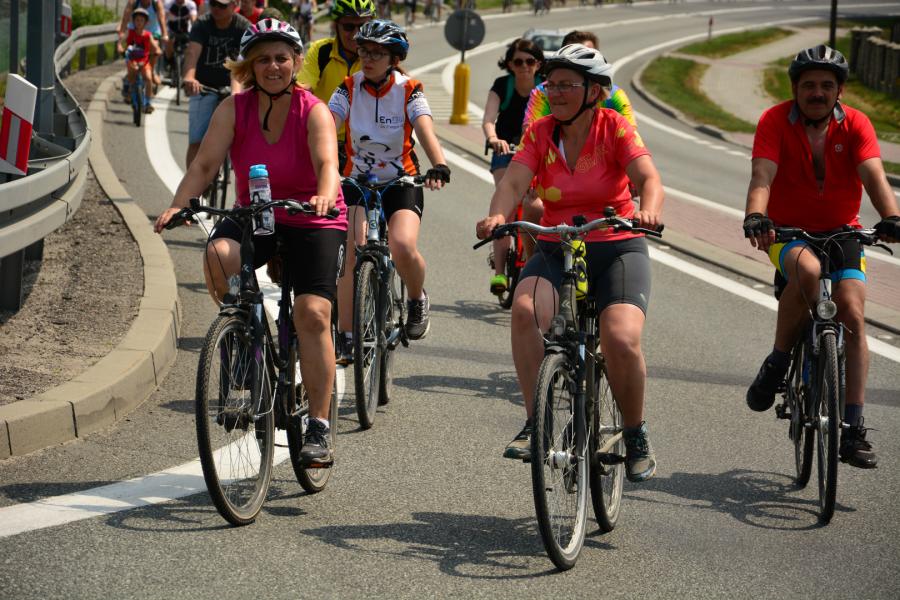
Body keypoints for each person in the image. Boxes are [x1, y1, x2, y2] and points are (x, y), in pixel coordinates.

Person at [154, 19, 347, 465]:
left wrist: (323, 194)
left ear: (296, 62)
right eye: (263, 60)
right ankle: (245, 337)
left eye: (281, 58)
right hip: (257, 215)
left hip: (313, 217)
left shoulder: (313, 110)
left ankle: (318, 427)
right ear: (249, 67)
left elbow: (327, 163)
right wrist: (179, 205)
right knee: (218, 255)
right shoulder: (233, 109)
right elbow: (205, 166)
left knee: (312, 313)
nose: (273, 66)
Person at [475, 44, 664, 482]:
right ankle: (534, 422)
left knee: (620, 339)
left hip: (616, 246)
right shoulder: (540, 133)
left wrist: (649, 209)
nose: (555, 93)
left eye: (566, 85)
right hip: (558, 245)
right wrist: (498, 215)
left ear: (594, 91)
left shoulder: (614, 127)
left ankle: (635, 432)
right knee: (524, 310)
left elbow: (648, 178)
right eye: (551, 85)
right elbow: (514, 182)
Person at [742, 44, 900, 469]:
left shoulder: (857, 124)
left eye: (826, 85)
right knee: (807, 271)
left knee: (852, 313)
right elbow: (762, 174)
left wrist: (892, 216)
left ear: (839, 91)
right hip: (787, 232)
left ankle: (853, 428)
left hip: (843, 231)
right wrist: (756, 215)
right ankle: (778, 363)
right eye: (808, 85)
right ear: (795, 89)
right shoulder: (774, 120)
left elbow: (873, 175)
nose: (817, 92)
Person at [328, 20, 450, 362]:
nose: (367, 59)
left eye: (377, 53)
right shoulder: (347, 88)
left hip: (401, 182)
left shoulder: (409, 89)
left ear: (394, 59)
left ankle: (416, 299)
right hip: (357, 181)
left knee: (402, 244)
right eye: (364, 51)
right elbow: (326, 124)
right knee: (352, 253)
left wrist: (439, 163)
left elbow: (424, 129)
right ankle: (347, 336)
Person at [481, 38, 544, 296]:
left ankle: (534, 262)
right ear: (509, 64)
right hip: (506, 153)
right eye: (518, 62)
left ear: (538, 64)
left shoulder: (545, 88)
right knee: (504, 209)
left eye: (530, 61)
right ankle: (499, 273)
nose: (524, 66)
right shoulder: (502, 85)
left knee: (537, 205)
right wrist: (494, 139)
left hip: (537, 154)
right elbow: (488, 119)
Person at [297, 0, 375, 168]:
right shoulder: (321, 51)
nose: (356, 34)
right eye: (348, 27)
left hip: (368, 146)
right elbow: (303, 91)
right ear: (336, 25)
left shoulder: (379, 55)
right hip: (326, 140)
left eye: (363, 27)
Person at [182, 0, 250, 169]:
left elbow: (243, 62)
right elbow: (192, 53)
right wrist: (190, 77)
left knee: (245, 141)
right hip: (203, 86)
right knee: (196, 141)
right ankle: (191, 184)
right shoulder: (202, 24)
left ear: (234, 5)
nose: (216, 8)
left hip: (233, 85)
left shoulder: (244, 28)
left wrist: (236, 92)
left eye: (222, 5)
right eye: (213, 3)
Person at [118, 0, 169, 87]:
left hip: (152, 31)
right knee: (130, 50)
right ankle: (131, 73)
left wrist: (164, 34)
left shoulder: (156, 3)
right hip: (135, 30)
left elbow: (161, 18)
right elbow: (125, 17)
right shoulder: (133, 2)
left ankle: (151, 71)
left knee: (154, 48)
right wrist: (122, 33)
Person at [121, 8, 161, 113]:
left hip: (144, 61)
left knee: (148, 78)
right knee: (131, 75)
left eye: (141, 20)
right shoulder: (130, 32)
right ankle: (128, 90)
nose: (139, 22)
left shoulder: (148, 35)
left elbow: (154, 46)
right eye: (137, 20)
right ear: (133, 21)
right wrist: (120, 47)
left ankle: (147, 102)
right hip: (132, 60)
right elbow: (122, 41)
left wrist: (157, 50)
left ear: (145, 22)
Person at [163, 0, 198, 65]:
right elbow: (163, 18)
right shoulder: (168, 3)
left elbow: (193, 21)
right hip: (171, 30)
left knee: (191, 46)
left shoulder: (190, 4)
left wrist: (195, 34)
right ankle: (168, 62)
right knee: (168, 42)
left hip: (185, 31)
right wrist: (164, 34)